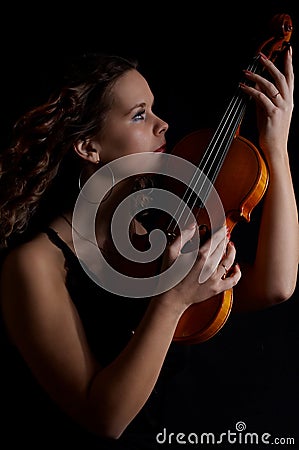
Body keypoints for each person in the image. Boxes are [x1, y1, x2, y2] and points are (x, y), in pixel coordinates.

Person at [0, 47, 297, 449]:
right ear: (89, 147)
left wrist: (274, 146)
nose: (163, 124)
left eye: (154, 109)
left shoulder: (159, 233)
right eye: (140, 114)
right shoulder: (35, 264)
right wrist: (172, 299)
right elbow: (105, 418)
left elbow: (274, 285)